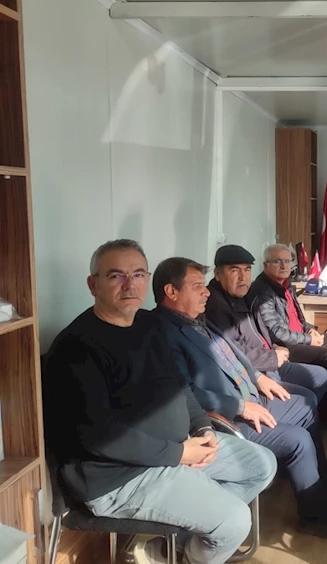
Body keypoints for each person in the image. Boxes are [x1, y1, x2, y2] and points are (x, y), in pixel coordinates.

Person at [44, 240, 277, 564]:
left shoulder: (149, 324)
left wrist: (203, 429)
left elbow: (179, 386)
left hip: (177, 449)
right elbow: (99, 437)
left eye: (139, 274)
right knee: (235, 521)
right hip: (119, 476)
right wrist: (179, 454)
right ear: (93, 285)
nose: (130, 284)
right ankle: (191, 551)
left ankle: (174, 548)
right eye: (116, 276)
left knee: (262, 464)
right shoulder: (75, 348)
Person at [154, 257, 327, 541]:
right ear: (171, 292)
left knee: (306, 404)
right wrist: (240, 406)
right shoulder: (162, 333)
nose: (206, 291)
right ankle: (314, 517)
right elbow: (184, 393)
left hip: (249, 394)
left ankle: (319, 491)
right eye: (197, 286)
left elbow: (232, 351)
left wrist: (258, 377)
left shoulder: (194, 318)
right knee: (298, 439)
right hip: (225, 418)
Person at [204, 244, 327, 406]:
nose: (243, 277)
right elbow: (229, 352)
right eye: (234, 270)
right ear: (217, 274)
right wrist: (271, 357)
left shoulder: (244, 294)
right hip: (254, 371)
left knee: (321, 376)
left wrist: (275, 345)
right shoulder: (216, 306)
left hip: (270, 356)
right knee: (307, 398)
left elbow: (262, 330)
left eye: (247, 270)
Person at [248, 244, 327, 390]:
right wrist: (309, 340)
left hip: (300, 336)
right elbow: (276, 332)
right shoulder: (262, 291)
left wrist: (310, 330)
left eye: (287, 261)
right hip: (285, 345)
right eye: (277, 261)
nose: (284, 266)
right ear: (265, 265)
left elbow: (298, 318)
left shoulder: (286, 284)